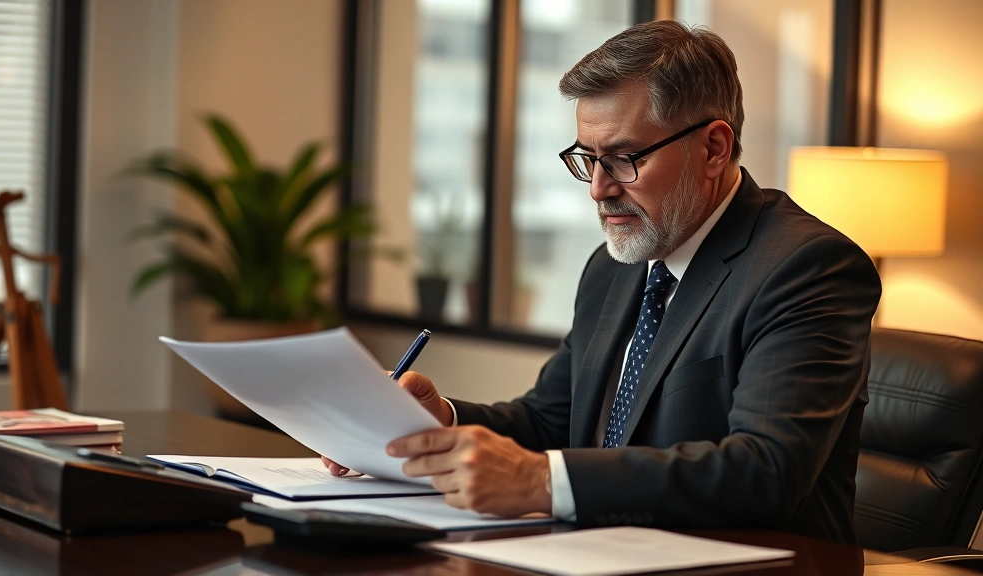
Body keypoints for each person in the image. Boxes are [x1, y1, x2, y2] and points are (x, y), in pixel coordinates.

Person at [325, 20, 881, 545]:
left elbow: (764, 472)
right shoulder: (613, 265)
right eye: (586, 159)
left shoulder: (808, 268)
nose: (597, 189)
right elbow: (553, 420)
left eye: (622, 159)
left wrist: (542, 482)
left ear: (713, 147)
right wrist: (440, 421)